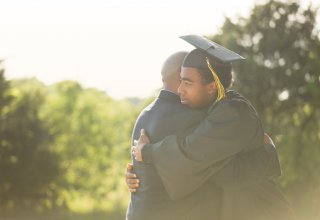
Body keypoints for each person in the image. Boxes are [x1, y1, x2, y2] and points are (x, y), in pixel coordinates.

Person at [132, 35, 295, 220]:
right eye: (180, 81)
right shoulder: (217, 109)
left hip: (263, 210)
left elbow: (197, 157)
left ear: (211, 87)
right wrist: (140, 172)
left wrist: (147, 152)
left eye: (187, 83)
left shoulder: (232, 113)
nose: (180, 90)